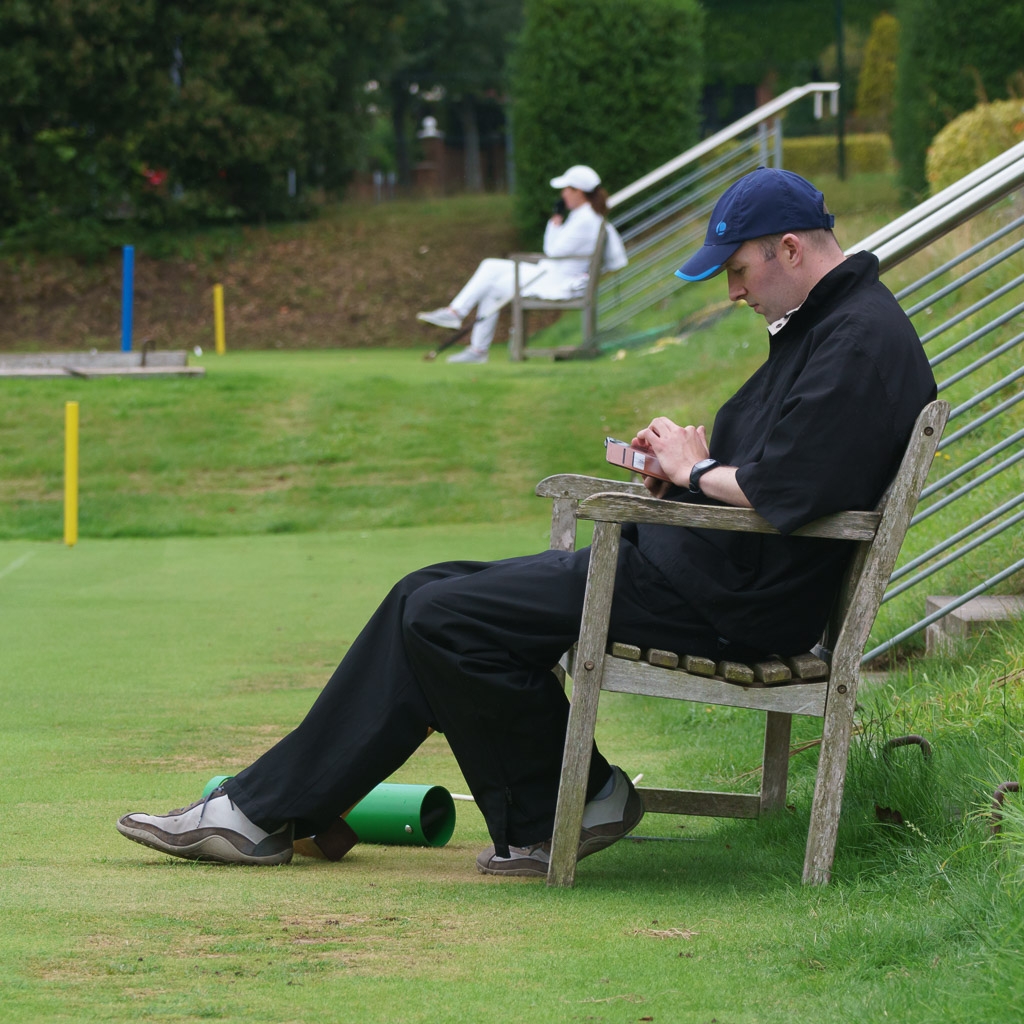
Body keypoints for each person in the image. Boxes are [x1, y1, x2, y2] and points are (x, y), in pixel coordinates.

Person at [117, 168, 936, 878]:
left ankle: (551, 803)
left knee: (439, 615)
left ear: (790, 249)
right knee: (427, 596)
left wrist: (692, 471)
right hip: (706, 574)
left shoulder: (855, 341)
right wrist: (688, 462)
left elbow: (782, 491)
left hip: (725, 600)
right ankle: (277, 811)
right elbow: (784, 465)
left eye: (739, 268)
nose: (732, 289)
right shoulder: (830, 326)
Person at [416, 164, 628, 363]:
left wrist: (554, 224)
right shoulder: (584, 216)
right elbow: (556, 252)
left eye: (566, 190)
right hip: (552, 274)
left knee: (493, 286)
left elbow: (552, 251)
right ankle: (458, 318)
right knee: (490, 266)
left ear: (578, 192)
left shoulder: (584, 219)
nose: (563, 194)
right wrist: (557, 224)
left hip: (556, 282)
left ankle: (473, 342)